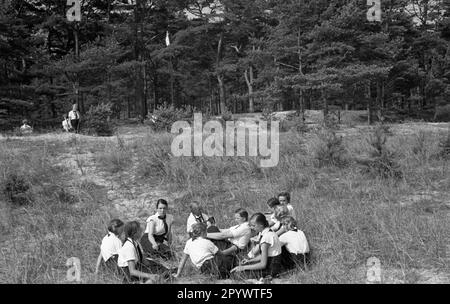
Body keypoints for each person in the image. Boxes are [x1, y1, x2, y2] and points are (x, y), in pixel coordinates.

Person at [230, 213, 282, 280]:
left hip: (270, 270)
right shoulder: (269, 231)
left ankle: (265, 278)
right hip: (273, 265)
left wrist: (243, 268)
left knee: (236, 274)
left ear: (261, 225)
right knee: (240, 266)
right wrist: (250, 261)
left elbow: (263, 265)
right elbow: (264, 255)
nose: (252, 228)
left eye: (254, 226)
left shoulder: (266, 238)